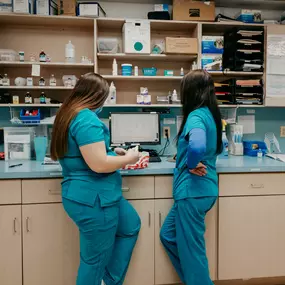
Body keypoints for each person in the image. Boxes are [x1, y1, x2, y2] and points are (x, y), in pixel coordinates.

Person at [50, 72, 141, 285]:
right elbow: (98, 164)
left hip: (92, 195)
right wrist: (129, 158)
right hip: (95, 200)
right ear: (96, 96)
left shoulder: (68, 114)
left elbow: (84, 156)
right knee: (94, 261)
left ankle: (109, 281)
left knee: (130, 225)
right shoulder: (86, 118)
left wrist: (110, 154)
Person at [160, 70, 223, 285]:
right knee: (168, 236)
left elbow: (197, 144)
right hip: (201, 191)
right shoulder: (209, 113)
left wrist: (190, 162)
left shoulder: (196, 115)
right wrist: (185, 156)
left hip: (193, 193)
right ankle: (193, 280)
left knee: (193, 254)